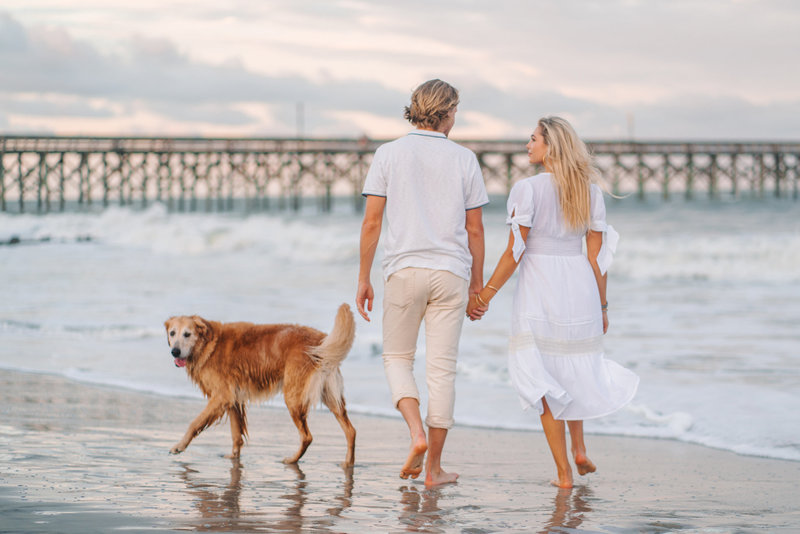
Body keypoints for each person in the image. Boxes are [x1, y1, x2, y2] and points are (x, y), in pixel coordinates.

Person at [467, 116, 639, 488]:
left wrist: (485, 296)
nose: (528, 146)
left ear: (551, 146)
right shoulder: (589, 191)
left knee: (542, 381)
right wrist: (603, 306)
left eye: (533, 140)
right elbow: (598, 259)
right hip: (579, 285)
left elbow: (515, 251)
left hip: (540, 286)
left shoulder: (528, 190)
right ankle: (579, 449)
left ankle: (564, 474)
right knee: (572, 366)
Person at [356, 79, 488, 488]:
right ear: (447, 112)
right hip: (451, 274)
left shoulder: (388, 153)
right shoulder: (464, 158)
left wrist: (364, 278)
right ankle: (434, 471)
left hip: (403, 270)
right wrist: (476, 286)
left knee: (397, 358)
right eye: (455, 111)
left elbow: (372, 222)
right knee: (442, 371)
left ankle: (415, 433)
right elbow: (475, 230)